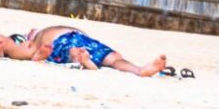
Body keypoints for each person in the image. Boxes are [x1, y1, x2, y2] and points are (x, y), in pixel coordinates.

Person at [22, 23, 173, 79]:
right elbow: (33, 54)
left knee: (113, 57)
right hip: (73, 40)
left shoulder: (44, 33)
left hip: (77, 39)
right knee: (112, 58)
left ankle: (140, 70)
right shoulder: (36, 40)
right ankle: (138, 70)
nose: (30, 31)